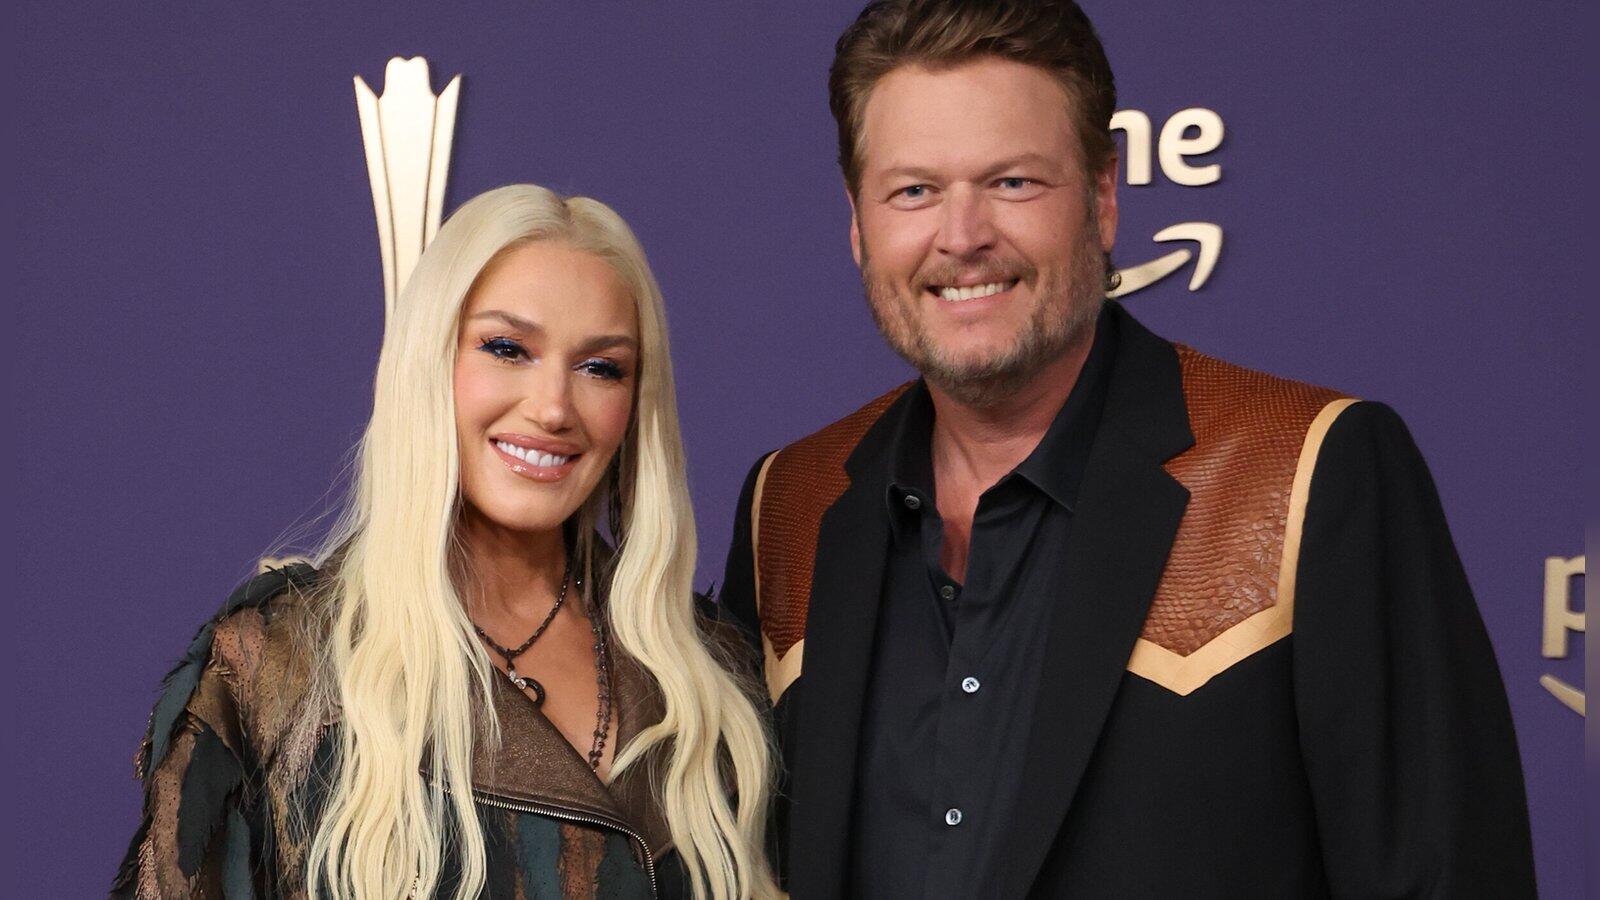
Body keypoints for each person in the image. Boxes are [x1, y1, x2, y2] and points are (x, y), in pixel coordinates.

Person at [717, 1, 1536, 897]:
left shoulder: (1309, 469)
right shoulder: (790, 503)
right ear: (857, 222)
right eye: (914, 191)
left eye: (1012, 182)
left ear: (1103, 196)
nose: (962, 236)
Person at [114, 185, 779, 899]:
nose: (554, 407)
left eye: (600, 367)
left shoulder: (710, 675)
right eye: (507, 349)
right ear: (428, 363)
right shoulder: (271, 668)